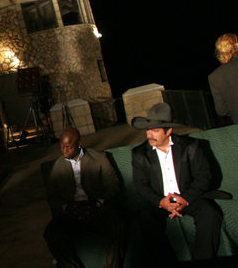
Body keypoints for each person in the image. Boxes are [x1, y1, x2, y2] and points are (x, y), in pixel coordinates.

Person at [131, 102, 223, 266]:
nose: (149, 135)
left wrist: (185, 199)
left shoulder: (190, 147)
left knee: (210, 213)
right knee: (145, 218)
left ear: (169, 131)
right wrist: (161, 202)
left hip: (188, 197)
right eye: (148, 130)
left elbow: (204, 176)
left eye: (155, 130)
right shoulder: (139, 153)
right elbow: (140, 185)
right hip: (161, 200)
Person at [43, 127, 125, 268]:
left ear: (79, 144)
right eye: (61, 147)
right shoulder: (58, 166)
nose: (64, 151)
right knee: (51, 233)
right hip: (72, 212)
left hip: (97, 208)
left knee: (117, 225)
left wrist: (98, 203)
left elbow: (112, 185)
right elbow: (52, 196)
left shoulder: (99, 158)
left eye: (68, 147)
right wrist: (68, 207)